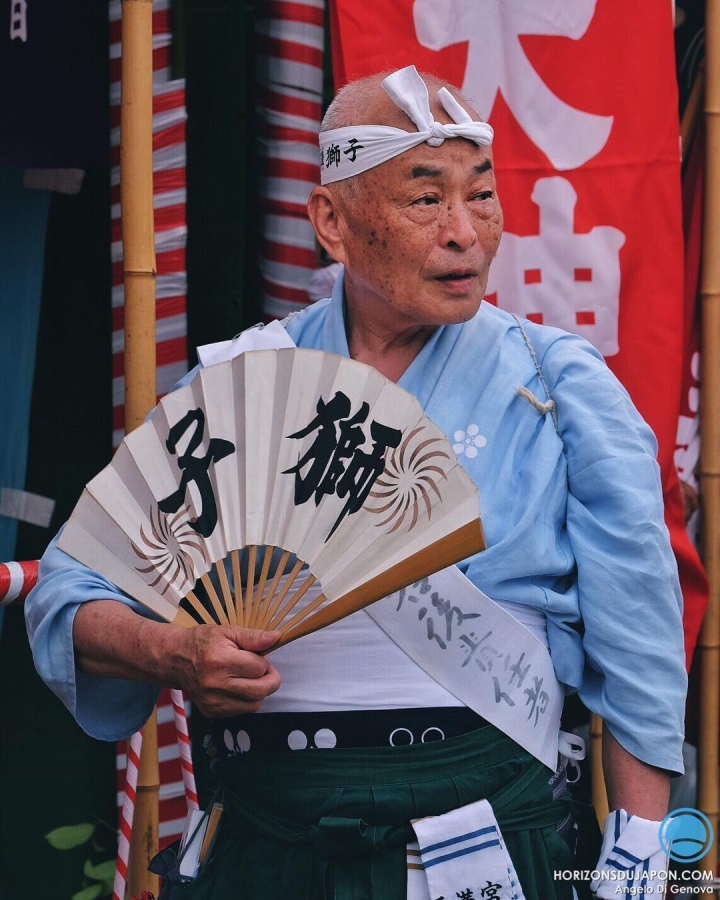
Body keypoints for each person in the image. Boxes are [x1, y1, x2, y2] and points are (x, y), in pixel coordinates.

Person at [26, 66, 687, 899]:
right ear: (331, 223)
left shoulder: (558, 389)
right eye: (425, 201)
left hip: (482, 848)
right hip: (264, 845)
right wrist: (171, 651)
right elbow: (66, 595)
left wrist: (644, 860)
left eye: (481, 196)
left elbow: (640, 645)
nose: (466, 233)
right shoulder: (243, 386)